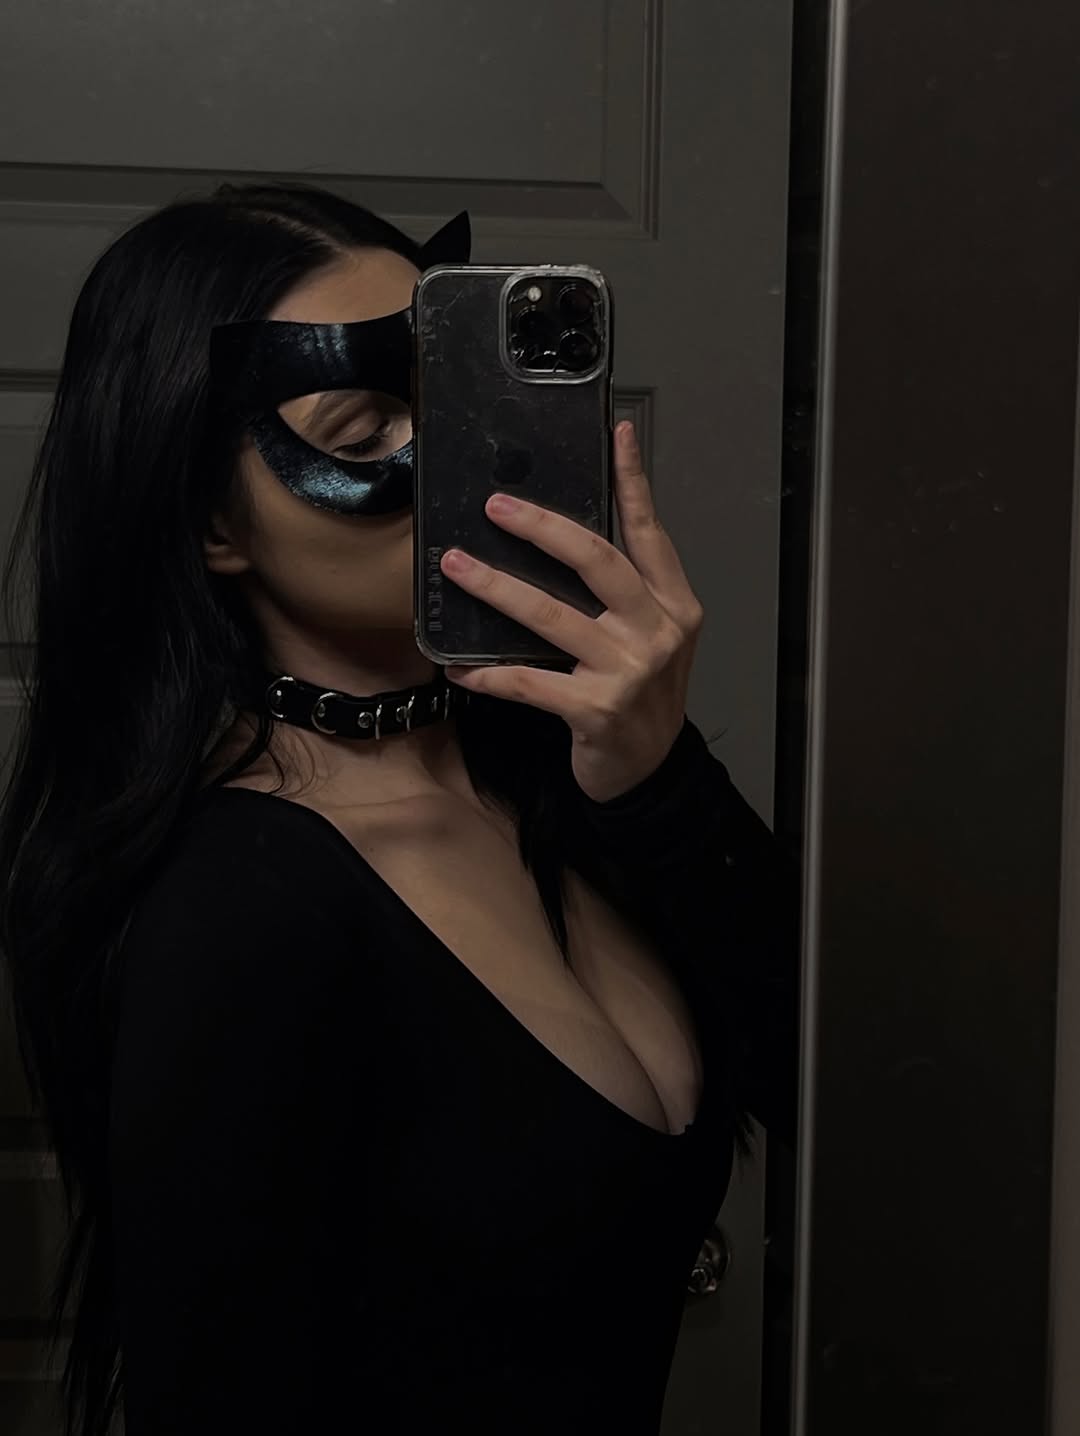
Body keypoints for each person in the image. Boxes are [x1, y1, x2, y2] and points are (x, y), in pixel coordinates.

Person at [0, 180, 800, 1436]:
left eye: (458, 402)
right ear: (213, 522)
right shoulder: (239, 909)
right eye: (366, 425)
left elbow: (843, 1085)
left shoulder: (554, 781)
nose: (451, 464)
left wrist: (658, 778)